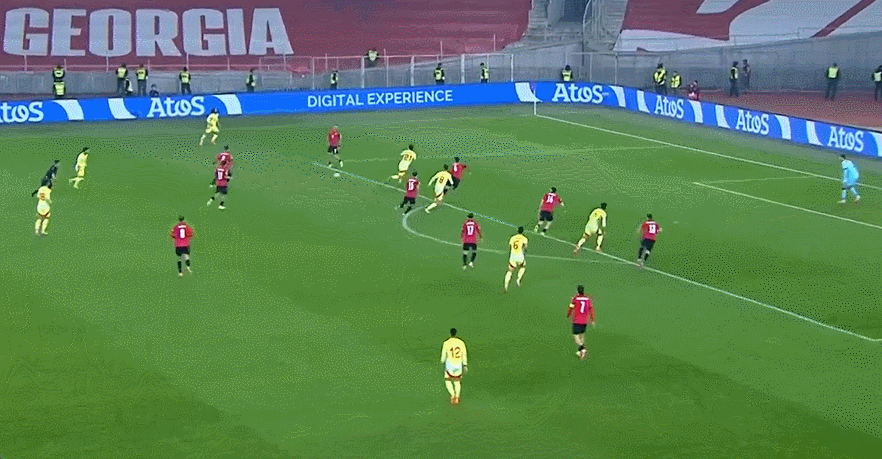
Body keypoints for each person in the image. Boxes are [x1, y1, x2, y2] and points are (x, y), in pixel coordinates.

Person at [567, 285, 595, 360]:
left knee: (576, 337)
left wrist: (568, 315)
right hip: (584, 321)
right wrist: (592, 319)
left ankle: (582, 348)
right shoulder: (588, 299)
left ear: (577, 291)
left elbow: (571, 307)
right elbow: (591, 309)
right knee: (582, 335)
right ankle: (579, 352)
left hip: (577, 320)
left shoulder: (575, 299)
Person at [440, 328, 467, 405]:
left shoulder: (446, 343)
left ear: (450, 334)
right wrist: (465, 364)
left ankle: (452, 395)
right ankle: (457, 396)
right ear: (456, 334)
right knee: (457, 381)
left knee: (447, 380)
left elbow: (443, 356)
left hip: (450, 364)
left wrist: (442, 362)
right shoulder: (461, 342)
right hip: (458, 364)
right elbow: (464, 354)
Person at [504, 227, 528, 292]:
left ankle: (506, 285)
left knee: (510, 271)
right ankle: (518, 279)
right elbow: (525, 247)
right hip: (520, 256)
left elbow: (510, 246)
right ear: (523, 231)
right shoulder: (524, 238)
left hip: (513, 256)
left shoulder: (512, 238)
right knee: (523, 266)